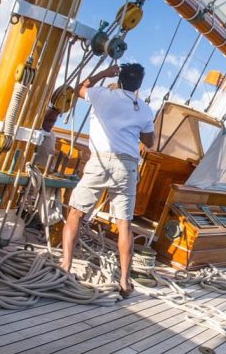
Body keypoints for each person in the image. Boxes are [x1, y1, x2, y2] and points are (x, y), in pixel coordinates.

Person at [60, 63, 155, 297]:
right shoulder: (143, 109)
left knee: (75, 213)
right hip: (127, 166)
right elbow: (150, 142)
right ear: (139, 84)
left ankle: (66, 266)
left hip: (100, 162)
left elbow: (78, 89)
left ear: (119, 78)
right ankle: (124, 282)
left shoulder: (102, 94)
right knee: (124, 224)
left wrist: (103, 73)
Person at [32, 105, 60, 170]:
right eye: (48, 120)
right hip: (33, 170)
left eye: (53, 121)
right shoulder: (31, 133)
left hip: (46, 172)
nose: (51, 124)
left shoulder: (52, 136)